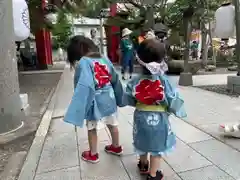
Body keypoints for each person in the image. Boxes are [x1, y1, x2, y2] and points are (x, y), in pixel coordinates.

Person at [125, 39, 187, 180]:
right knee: (157, 146)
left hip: (140, 116)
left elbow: (128, 97)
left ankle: (143, 164)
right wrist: (175, 109)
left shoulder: (135, 81)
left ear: (138, 59)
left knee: (141, 140)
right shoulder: (164, 80)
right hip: (159, 119)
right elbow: (173, 99)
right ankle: (153, 175)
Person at [64, 35, 125, 163]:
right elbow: (114, 78)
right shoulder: (104, 58)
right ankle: (116, 146)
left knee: (92, 127)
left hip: (94, 99)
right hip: (109, 97)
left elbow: (84, 84)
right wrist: (120, 96)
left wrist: (80, 103)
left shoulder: (84, 62)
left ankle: (93, 154)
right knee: (112, 122)